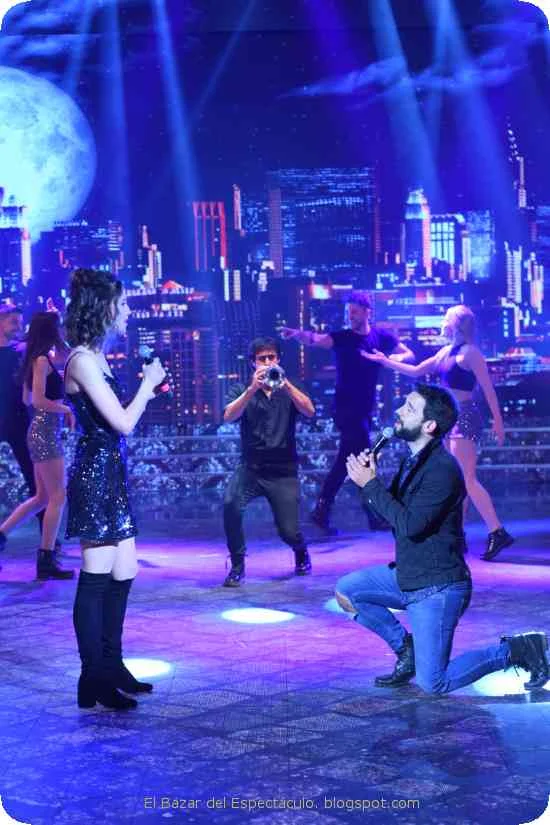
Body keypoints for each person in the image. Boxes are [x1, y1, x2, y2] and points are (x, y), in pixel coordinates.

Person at [335, 383, 548, 695]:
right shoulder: (412, 462)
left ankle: (519, 650)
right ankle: (407, 651)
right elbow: (391, 516)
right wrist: (370, 481)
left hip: (437, 588)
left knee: (434, 683)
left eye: (409, 408)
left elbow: (411, 526)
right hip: (409, 575)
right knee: (348, 592)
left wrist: (371, 485)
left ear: (429, 425)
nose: (399, 411)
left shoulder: (442, 469)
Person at [64, 268, 166, 710]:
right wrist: (146, 386)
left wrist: (146, 391)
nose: (127, 312)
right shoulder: (82, 361)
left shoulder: (97, 357)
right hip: (94, 477)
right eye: (122, 305)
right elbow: (122, 423)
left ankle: (113, 665)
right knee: (96, 576)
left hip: (111, 475)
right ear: (103, 309)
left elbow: (118, 419)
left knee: (125, 570)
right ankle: (94, 679)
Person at [361, 304, 513, 560]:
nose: (443, 321)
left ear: (457, 323)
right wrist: (384, 361)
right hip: (449, 419)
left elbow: (488, 389)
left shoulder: (470, 353)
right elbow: (416, 370)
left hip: (465, 417)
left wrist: (499, 421)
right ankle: (458, 536)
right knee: (457, 480)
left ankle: (497, 532)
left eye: (447, 317)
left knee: (467, 479)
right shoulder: (445, 352)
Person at [280, 290, 413, 534]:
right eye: (348, 312)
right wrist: (296, 333)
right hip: (346, 409)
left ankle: (322, 511)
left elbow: (408, 354)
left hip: (365, 409)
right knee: (363, 460)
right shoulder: (342, 338)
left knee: (349, 460)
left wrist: (385, 358)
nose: (350, 316)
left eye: (355, 312)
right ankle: (371, 515)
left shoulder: (381, 337)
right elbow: (315, 339)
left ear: (367, 312)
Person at [222, 336, 315, 587]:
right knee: (231, 505)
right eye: (261, 358)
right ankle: (238, 565)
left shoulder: (290, 388)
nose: (267, 362)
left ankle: (300, 549)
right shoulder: (243, 389)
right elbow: (228, 416)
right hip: (251, 468)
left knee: (288, 531)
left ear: (278, 359)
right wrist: (252, 389)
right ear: (253, 363)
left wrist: (286, 385)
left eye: (271, 357)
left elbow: (309, 410)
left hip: (283, 471)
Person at [0, 312, 74, 579]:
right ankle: (46, 559)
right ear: (50, 331)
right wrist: (65, 409)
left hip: (40, 430)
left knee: (42, 498)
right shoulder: (41, 360)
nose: (62, 331)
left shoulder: (38, 359)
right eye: (59, 328)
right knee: (57, 496)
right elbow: (37, 400)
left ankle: (2, 535)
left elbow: (26, 397)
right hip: (45, 432)